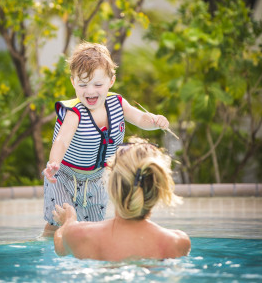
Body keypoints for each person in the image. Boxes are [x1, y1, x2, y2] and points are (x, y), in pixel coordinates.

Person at [42, 42, 169, 236]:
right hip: (64, 176)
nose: (90, 91)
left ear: (111, 81)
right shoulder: (74, 113)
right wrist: (53, 163)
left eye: (98, 84)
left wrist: (155, 121)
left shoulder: (117, 104)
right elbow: (61, 141)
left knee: (92, 228)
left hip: (97, 178)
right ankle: (45, 246)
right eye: (83, 84)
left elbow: (140, 118)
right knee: (58, 223)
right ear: (73, 82)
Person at [53, 138, 190, 261]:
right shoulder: (178, 242)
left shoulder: (78, 234)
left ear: (112, 185)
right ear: (158, 189)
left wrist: (68, 221)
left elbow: (60, 247)